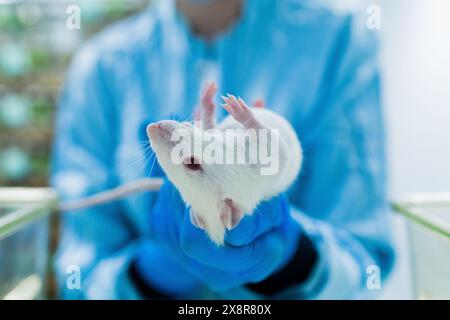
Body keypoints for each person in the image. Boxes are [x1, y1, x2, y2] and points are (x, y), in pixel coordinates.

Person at [51, 0, 395, 299]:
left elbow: (365, 270)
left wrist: (297, 258)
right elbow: (78, 281)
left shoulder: (339, 40)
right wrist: (149, 273)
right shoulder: (102, 68)